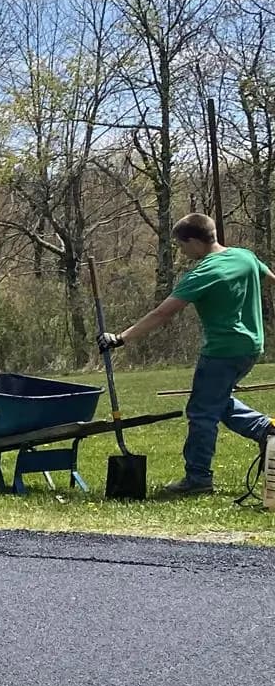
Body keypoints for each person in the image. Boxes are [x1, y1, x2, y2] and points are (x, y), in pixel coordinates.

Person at [99, 212, 274, 495]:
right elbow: (269, 280)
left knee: (201, 413)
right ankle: (265, 429)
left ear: (194, 241)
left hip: (221, 350)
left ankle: (198, 479)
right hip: (251, 348)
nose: (181, 252)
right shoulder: (245, 257)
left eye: (181, 246)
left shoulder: (203, 273)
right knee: (214, 400)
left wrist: (121, 338)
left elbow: (162, 313)